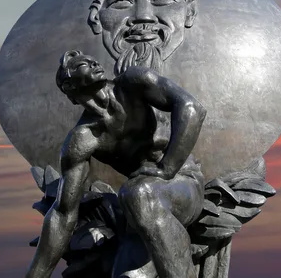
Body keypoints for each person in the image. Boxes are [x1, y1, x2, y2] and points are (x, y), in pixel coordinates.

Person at [25, 49, 206, 278]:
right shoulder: (83, 139)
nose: (94, 63)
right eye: (84, 64)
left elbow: (192, 108)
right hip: (140, 212)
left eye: (93, 60)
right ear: (70, 88)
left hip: (182, 183)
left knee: (137, 192)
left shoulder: (134, 83)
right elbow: (63, 215)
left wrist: (167, 167)